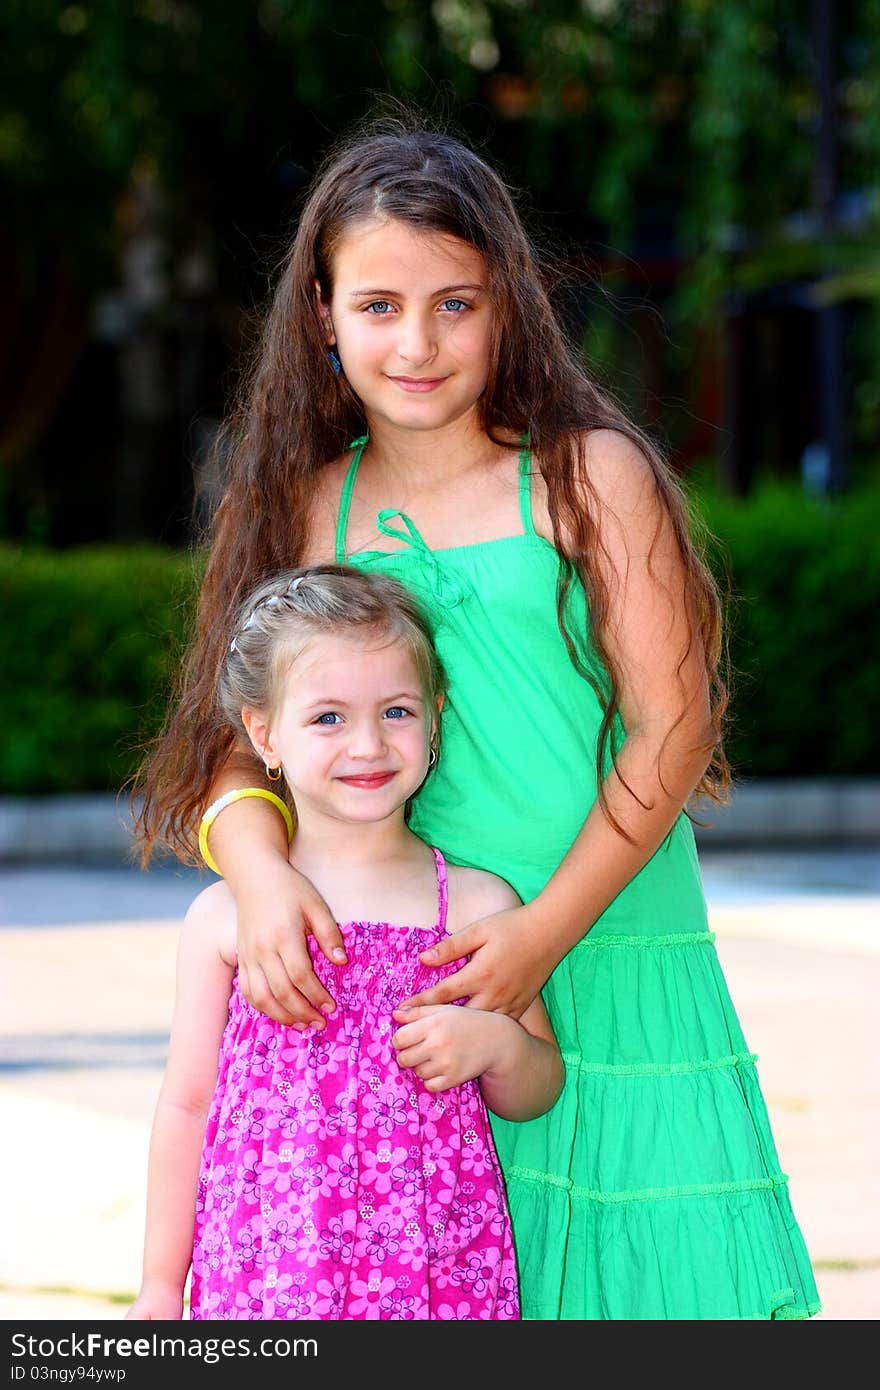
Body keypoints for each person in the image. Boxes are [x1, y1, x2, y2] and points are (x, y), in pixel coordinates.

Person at [135, 116, 820, 1320]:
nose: (417, 340)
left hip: (600, 935)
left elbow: (676, 726)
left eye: (457, 302)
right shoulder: (297, 501)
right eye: (381, 304)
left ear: (508, 305)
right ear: (320, 313)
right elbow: (225, 744)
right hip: (411, 986)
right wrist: (258, 874)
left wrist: (543, 934)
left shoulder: (587, 472)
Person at [127, 564, 562, 1321]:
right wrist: (161, 1286)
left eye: (396, 711)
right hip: (268, 1260)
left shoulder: (474, 905)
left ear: (435, 718)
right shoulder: (226, 919)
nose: (367, 744)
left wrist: (495, 1048)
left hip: (435, 1267)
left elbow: (539, 1086)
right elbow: (187, 1106)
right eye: (328, 718)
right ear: (264, 735)